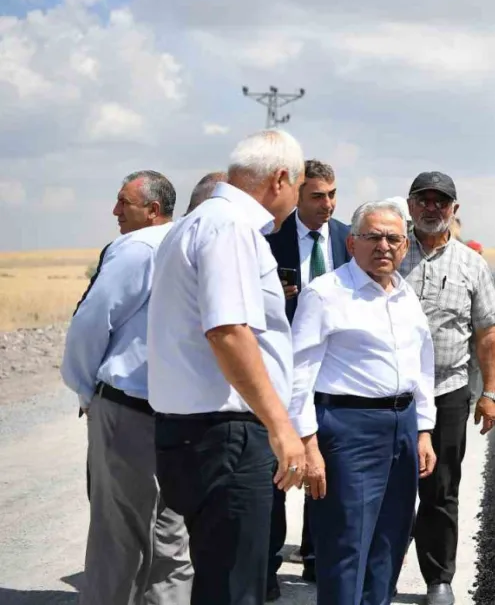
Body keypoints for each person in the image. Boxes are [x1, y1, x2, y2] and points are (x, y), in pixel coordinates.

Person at [146, 128, 323, 605]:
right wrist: (282, 426)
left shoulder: (195, 223)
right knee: (234, 589)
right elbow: (228, 332)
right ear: (281, 179)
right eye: (300, 185)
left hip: (194, 432)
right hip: (226, 436)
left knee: (218, 581)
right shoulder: (230, 227)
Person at [289, 199, 438, 604]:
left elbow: (421, 365)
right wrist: (306, 443)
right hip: (348, 428)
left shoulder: (405, 295)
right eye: (373, 237)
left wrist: (423, 430)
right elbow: (299, 372)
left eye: (393, 238)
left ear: (405, 246)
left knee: (391, 540)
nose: (384, 246)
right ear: (352, 242)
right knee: (346, 544)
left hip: (402, 427)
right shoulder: (326, 293)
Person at [61, 170, 193, 605]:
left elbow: (91, 323)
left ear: (152, 210)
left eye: (124, 202)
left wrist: (84, 389)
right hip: (179, 413)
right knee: (170, 538)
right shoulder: (187, 243)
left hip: (128, 410)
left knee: (116, 536)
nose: (115, 211)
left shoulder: (137, 248)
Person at [400, 171, 495, 605]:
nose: (431, 208)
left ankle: (438, 579)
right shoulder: (390, 251)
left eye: (440, 202)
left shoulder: (471, 264)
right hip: (392, 393)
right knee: (390, 485)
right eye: (423, 200)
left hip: (448, 390)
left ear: (453, 210)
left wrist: (491, 392)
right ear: (410, 206)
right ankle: (380, 565)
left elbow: (487, 332)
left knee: (441, 487)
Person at [262, 159, 351, 596]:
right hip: (278, 374)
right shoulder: (268, 239)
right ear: (296, 194)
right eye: (318, 195)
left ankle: (316, 559)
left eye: (333, 194)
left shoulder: (349, 239)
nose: (328, 204)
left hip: (331, 375)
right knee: (277, 470)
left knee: (324, 467)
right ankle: (268, 564)